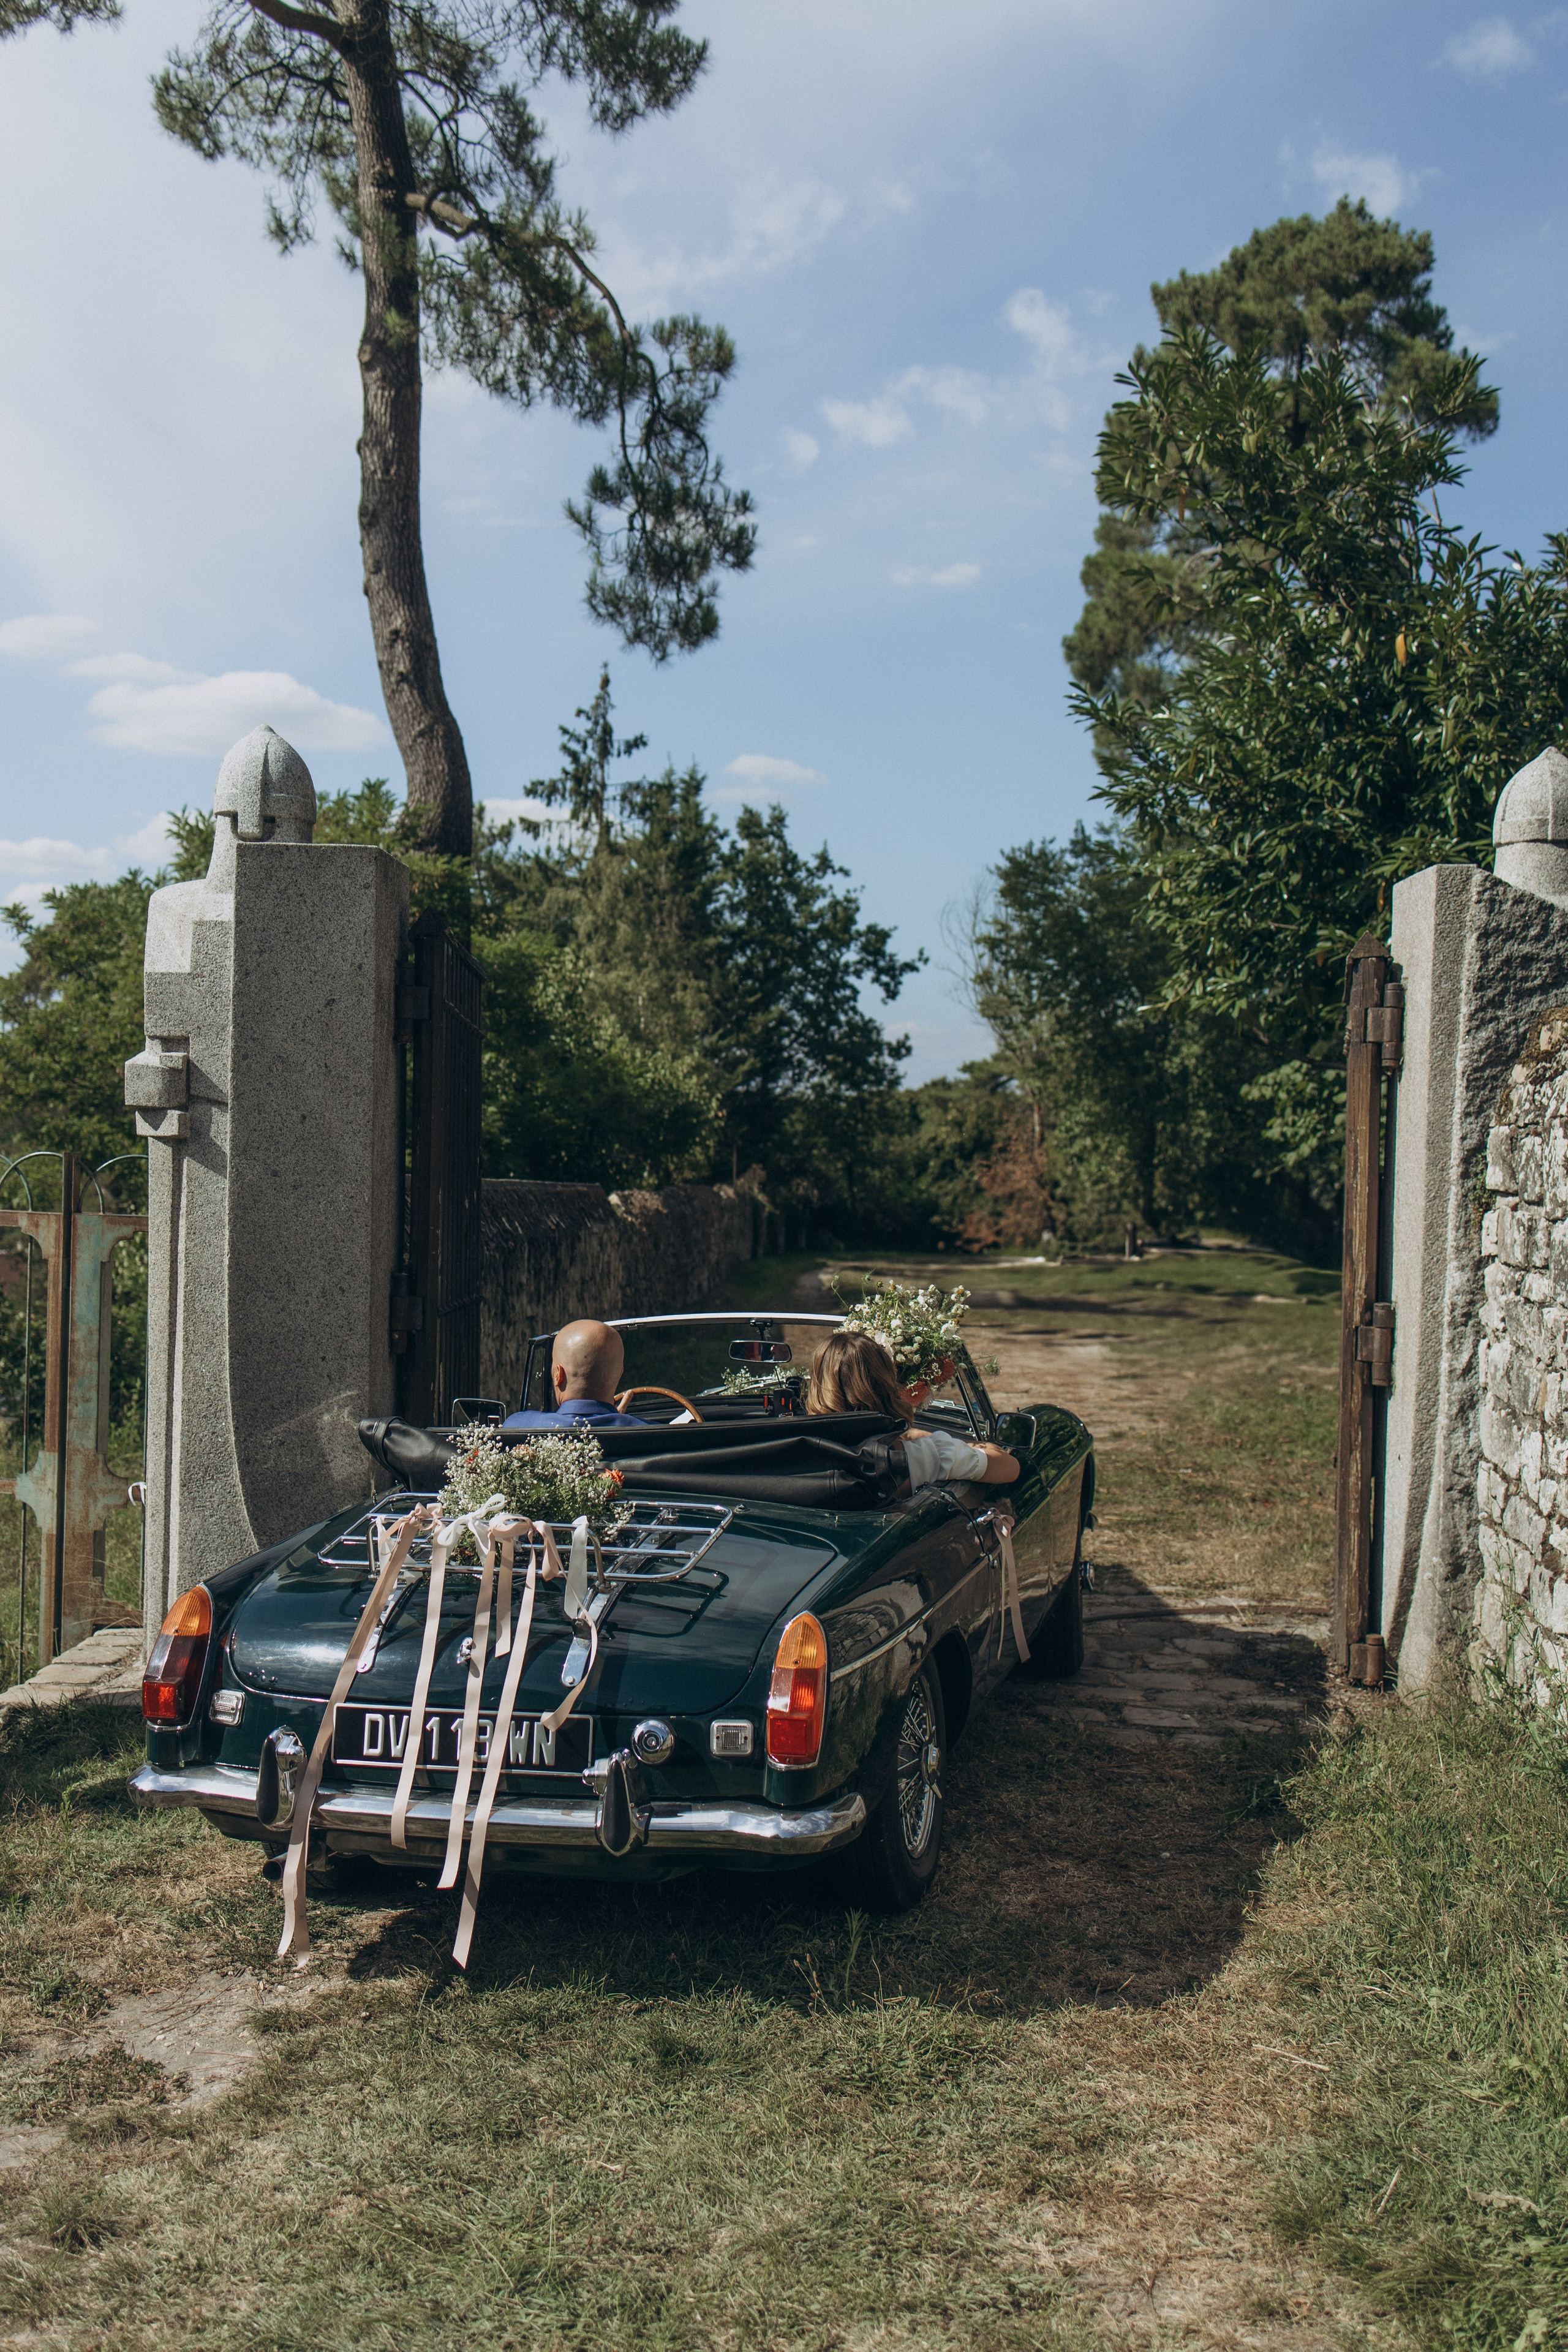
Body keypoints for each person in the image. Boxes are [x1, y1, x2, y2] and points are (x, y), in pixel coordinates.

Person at [804, 1329, 1018, 1490]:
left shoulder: (796, 1452)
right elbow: (1010, 1468)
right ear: (887, 1383)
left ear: (818, 1387)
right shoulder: (925, 1456)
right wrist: (967, 1444)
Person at [500, 1319, 649, 1430]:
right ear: (619, 1374)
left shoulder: (518, 1426)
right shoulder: (655, 1435)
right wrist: (619, 1423)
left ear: (559, 1376)